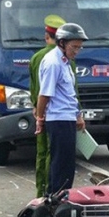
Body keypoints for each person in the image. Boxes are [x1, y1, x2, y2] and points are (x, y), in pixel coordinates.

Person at [35, 23, 87, 194]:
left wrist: (78, 115)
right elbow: (44, 95)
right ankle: (55, 201)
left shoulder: (65, 62)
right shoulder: (53, 63)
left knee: (67, 164)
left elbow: (69, 93)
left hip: (67, 118)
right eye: (74, 47)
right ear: (62, 43)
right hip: (58, 119)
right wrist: (40, 119)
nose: (77, 51)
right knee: (60, 165)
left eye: (79, 47)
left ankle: (62, 198)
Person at [29, 14, 66, 198]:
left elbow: (34, 89)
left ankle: (40, 192)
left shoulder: (36, 58)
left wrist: (37, 110)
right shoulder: (65, 59)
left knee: (42, 152)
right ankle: (54, 193)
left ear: (46, 36)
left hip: (42, 112)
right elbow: (72, 89)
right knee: (57, 154)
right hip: (59, 116)